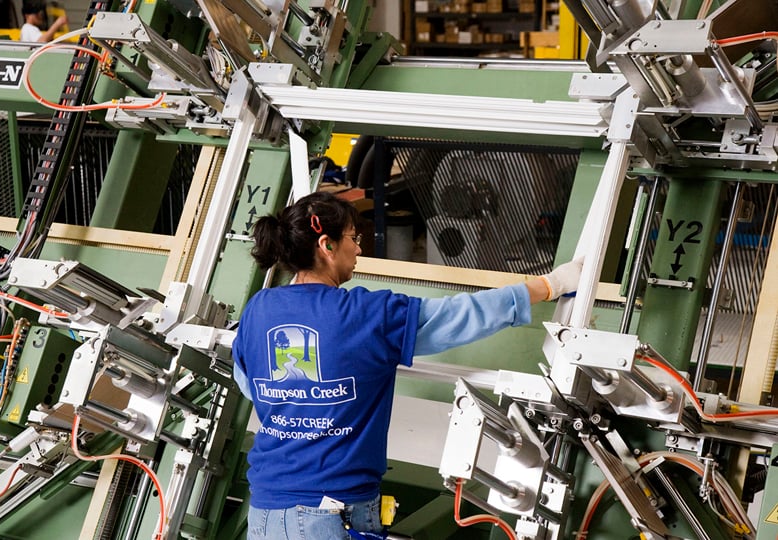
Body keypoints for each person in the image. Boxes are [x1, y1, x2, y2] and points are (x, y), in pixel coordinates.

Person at [232, 191, 582, 540]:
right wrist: (549, 286)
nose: (359, 249)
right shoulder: (367, 316)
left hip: (265, 512)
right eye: (354, 238)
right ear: (327, 245)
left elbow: (249, 382)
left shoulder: (258, 309)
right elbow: (460, 316)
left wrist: (305, 400)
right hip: (330, 514)